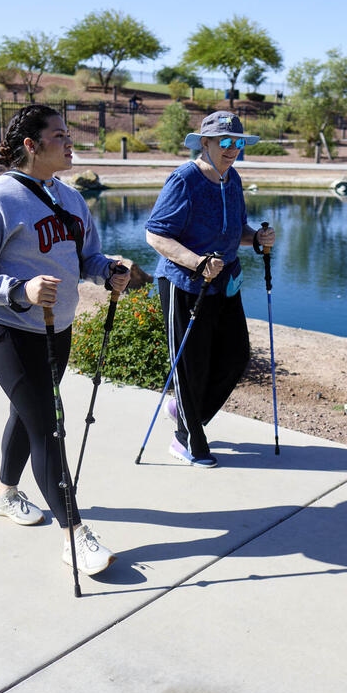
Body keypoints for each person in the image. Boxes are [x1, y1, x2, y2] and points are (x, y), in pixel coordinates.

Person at [0, 104, 130, 576]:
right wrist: (17, 290)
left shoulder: (70, 199)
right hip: (7, 329)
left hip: (57, 329)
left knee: (27, 413)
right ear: (31, 145)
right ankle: (75, 534)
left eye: (69, 133)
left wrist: (107, 271)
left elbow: (86, 257)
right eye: (59, 135)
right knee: (49, 424)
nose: (71, 142)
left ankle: (4, 492)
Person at [144, 111, 275, 468]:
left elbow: (235, 231)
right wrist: (197, 262)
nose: (232, 149)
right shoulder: (184, 179)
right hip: (185, 284)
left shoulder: (232, 178)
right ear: (205, 143)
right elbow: (155, 234)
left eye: (238, 143)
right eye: (224, 142)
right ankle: (186, 440)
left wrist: (257, 239)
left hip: (225, 284)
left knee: (236, 356)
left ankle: (184, 412)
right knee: (191, 366)